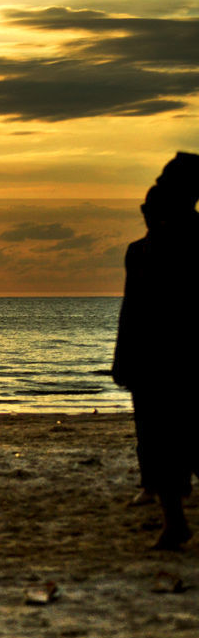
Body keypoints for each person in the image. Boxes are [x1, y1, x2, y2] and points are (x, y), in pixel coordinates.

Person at [113, 176, 199, 550]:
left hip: (189, 360)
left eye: (160, 212)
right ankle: (174, 523)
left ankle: (175, 524)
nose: (151, 218)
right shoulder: (138, 252)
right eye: (148, 212)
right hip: (151, 362)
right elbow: (130, 308)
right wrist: (123, 358)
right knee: (157, 446)